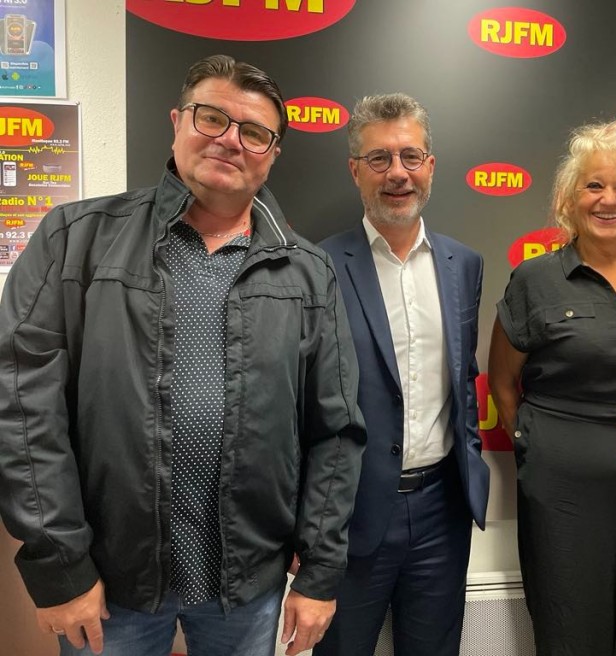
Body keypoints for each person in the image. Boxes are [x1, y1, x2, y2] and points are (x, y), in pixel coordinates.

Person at [0, 54, 367, 656]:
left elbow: (336, 429)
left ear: (273, 153)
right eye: (212, 118)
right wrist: (60, 566)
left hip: (247, 584)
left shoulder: (307, 272)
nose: (230, 140)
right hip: (108, 581)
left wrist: (320, 571)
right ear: (177, 122)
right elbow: (22, 408)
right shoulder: (76, 240)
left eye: (254, 132)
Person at [489, 121, 616, 655]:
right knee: (570, 630)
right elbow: (503, 381)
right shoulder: (535, 279)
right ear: (569, 196)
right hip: (563, 487)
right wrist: (534, 444)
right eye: (594, 185)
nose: (609, 199)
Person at [315, 93, 489, 656]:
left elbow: (463, 380)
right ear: (355, 171)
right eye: (379, 158)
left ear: (430, 166)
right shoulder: (318, 266)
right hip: (350, 514)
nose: (398, 173)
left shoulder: (463, 265)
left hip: (442, 510)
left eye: (411, 156)